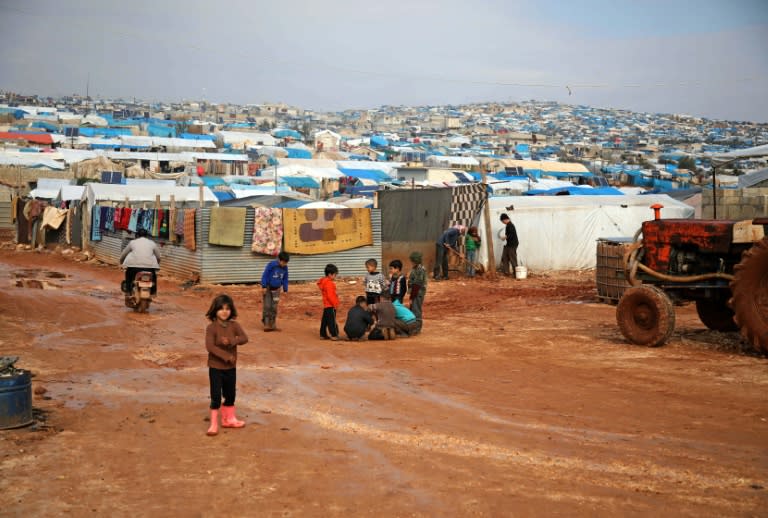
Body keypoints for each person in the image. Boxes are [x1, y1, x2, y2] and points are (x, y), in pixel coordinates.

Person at [204, 294, 249, 436]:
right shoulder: (211, 328)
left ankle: (229, 419)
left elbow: (244, 338)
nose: (224, 312)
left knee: (230, 394)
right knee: (216, 396)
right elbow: (210, 347)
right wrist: (226, 356)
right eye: (221, 309)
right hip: (216, 367)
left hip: (231, 367)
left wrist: (231, 341)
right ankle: (213, 424)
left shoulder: (234, 325)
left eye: (228, 309)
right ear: (215, 311)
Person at [120, 228, 161, 295]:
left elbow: (124, 254)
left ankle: (128, 291)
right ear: (147, 236)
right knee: (154, 277)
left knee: (128, 275)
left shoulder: (132, 242)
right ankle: (153, 292)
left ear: (137, 235)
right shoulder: (152, 243)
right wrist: (157, 264)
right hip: (150, 268)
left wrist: (121, 262)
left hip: (134, 268)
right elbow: (158, 257)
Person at [260, 251, 289, 331]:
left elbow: (285, 278)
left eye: (286, 263)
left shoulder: (285, 268)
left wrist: (285, 288)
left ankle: (272, 324)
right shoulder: (271, 265)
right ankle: (266, 323)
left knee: (274, 307)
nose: (284, 264)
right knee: (267, 306)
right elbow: (265, 275)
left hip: (277, 290)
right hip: (268, 288)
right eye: (283, 262)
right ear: (279, 260)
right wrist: (264, 286)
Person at [317, 263, 340, 341]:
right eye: (335, 275)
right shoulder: (329, 283)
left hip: (326, 305)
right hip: (330, 305)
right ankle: (334, 334)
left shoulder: (324, 282)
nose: (335, 277)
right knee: (332, 321)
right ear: (330, 274)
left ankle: (322, 334)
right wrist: (335, 304)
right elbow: (330, 296)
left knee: (325, 321)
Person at [407, 251, 427, 335]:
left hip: (417, 293)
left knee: (416, 310)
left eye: (412, 261)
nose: (411, 262)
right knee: (413, 309)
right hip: (415, 293)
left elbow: (417, 285)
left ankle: (417, 328)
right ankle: (414, 327)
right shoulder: (416, 268)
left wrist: (411, 297)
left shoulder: (420, 270)